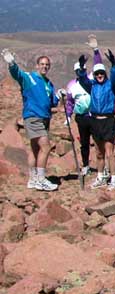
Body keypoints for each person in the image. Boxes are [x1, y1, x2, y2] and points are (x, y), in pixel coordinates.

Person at [2, 48, 61, 191]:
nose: (44, 66)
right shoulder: (30, 78)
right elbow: (17, 74)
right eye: (42, 64)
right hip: (33, 117)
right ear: (37, 65)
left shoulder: (48, 83)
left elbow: (52, 102)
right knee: (46, 147)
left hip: (44, 118)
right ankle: (41, 179)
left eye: (47, 64)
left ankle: (33, 179)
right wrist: (12, 64)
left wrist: (59, 95)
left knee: (35, 149)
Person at [76, 36, 115, 190]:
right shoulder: (92, 86)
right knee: (98, 152)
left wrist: (114, 64)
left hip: (108, 120)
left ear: (105, 73)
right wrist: (82, 68)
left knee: (109, 152)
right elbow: (83, 80)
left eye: (101, 73)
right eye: (97, 74)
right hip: (95, 121)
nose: (99, 75)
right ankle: (100, 176)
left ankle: (114, 179)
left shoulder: (111, 85)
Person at [65, 44, 103, 177]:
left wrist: (96, 51)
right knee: (84, 143)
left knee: (99, 141)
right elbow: (70, 102)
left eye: (82, 69)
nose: (80, 71)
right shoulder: (71, 85)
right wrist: (68, 116)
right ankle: (86, 165)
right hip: (81, 117)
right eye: (78, 70)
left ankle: (101, 166)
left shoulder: (91, 79)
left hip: (93, 115)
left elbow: (98, 65)